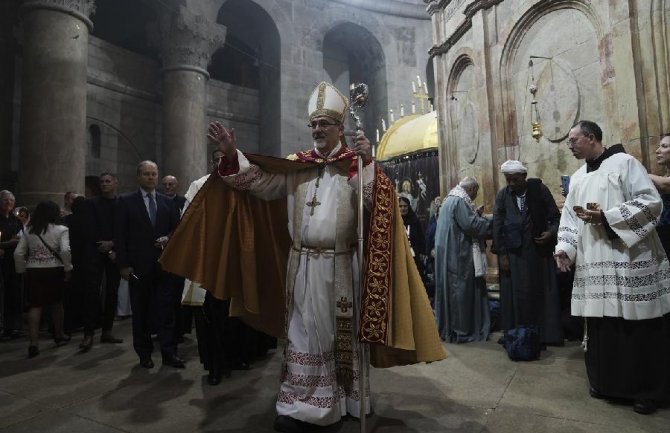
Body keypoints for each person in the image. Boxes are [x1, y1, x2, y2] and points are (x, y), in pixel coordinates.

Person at [160, 81, 445, 433]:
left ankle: (344, 400)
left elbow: (379, 204)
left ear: (340, 128)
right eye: (313, 125)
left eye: (324, 124)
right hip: (302, 264)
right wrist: (232, 155)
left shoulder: (353, 163)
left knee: (337, 335)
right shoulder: (297, 165)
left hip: (341, 264)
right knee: (302, 333)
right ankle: (300, 404)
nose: (317, 130)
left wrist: (366, 166)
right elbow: (261, 185)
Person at [554, 120, 670, 414]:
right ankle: (608, 384)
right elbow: (569, 218)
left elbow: (651, 203)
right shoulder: (579, 177)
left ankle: (647, 391)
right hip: (594, 261)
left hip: (629, 259)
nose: (570, 145)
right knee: (603, 324)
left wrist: (607, 218)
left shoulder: (625, 163)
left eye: (574, 139)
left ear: (591, 138)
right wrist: (565, 248)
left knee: (637, 325)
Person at [115, 161, 182, 369]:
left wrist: (167, 238)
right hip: (138, 266)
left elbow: (176, 229)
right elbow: (120, 235)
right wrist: (123, 265)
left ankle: (169, 353)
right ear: (138, 177)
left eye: (154, 174)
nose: (151, 177)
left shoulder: (166, 202)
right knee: (141, 312)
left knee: (166, 312)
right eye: (147, 174)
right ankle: (144, 354)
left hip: (163, 266)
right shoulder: (126, 201)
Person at [492, 160, 563, 347]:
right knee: (516, 295)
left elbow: (556, 217)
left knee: (541, 292)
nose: (511, 184)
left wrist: (551, 233)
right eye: (508, 180)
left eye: (515, 180)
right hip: (513, 255)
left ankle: (544, 334)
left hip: (538, 253)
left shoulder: (539, 191)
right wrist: (502, 255)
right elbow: (497, 226)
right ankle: (517, 333)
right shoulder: (502, 196)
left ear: (524, 177)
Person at [434, 177, 492, 342]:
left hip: (448, 253)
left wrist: (476, 215)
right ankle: (462, 330)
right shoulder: (460, 201)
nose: (476, 195)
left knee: (452, 291)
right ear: (472, 189)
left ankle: (450, 328)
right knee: (460, 293)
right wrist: (491, 221)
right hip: (458, 255)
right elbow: (472, 226)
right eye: (476, 191)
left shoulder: (449, 199)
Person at [14, 201, 72, 358]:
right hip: (54, 270)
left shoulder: (29, 230)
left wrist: (22, 270)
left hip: (34, 270)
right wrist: (68, 268)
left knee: (35, 306)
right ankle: (59, 335)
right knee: (57, 304)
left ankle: (33, 343)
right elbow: (66, 250)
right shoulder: (62, 229)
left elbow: (18, 253)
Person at [80, 173, 123, 351]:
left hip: (114, 252)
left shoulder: (122, 204)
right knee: (91, 292)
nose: (104, 184)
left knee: (112, 292)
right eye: (102, 182)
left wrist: (112, 246)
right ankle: (88, 334)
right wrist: (103, 245)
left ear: (115, 183)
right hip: (95, 251)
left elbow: (124, 229)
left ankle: (107, 331)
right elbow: (88, 228)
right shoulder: (91, 203)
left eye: (108, 181)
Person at [0, 190, 23, 340]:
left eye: (12, 201)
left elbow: (21, 236)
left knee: (14, 294)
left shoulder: (16, 221)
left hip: (13, 261)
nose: (9, 203)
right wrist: (7, 243)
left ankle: (13, 327)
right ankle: (2, 327)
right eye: (5, 200)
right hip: (1, 261)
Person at [648, 133, 670, 257]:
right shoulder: (661, 177)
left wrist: (639, 171)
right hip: (662, 235)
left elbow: (664, 185)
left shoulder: (661, 181)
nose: (657, 151)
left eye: (664, 146)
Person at [399, 195, 426, 275]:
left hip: (414, 254)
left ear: (409, 207)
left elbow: (421, 237)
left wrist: (422, 252)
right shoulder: (394, 222)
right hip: (400, 255)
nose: (403, 208)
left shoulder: (415, 220)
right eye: (400, 206)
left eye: (405, 206)